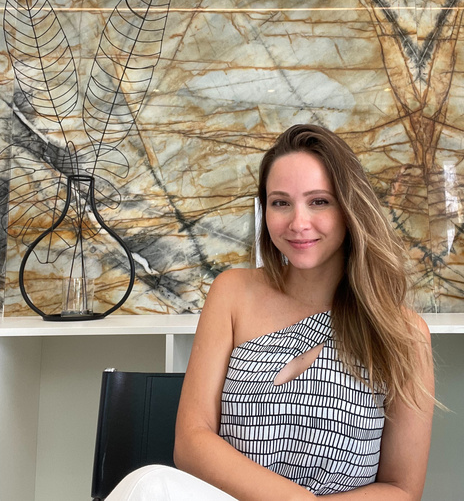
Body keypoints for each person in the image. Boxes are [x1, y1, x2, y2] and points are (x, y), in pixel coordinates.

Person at [107, 124, 435, 500]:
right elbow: (192, 442)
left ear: (350, 209)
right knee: (150, 484)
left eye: (319, 201)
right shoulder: (232, 292)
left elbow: (401, 488)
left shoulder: (404, 333)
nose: (298, 223)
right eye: (281, 203)